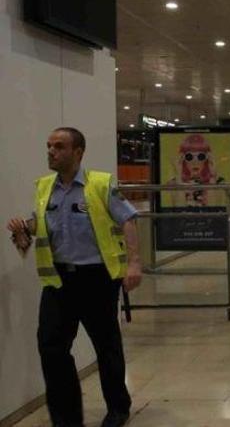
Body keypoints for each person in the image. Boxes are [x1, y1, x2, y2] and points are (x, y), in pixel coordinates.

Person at [6, 128, 143, 427]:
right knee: (51, 347)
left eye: (59, 146)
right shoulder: (44, 188)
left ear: (78, 152)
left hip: (96, 279)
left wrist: (134, 263)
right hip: (58, 282)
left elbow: (128, 219)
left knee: (106, 346)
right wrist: (22, 231)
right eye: (49, 146)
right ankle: (66, 418)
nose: (51, 152)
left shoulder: (99, 184)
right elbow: (38, 231)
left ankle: (118, 407)